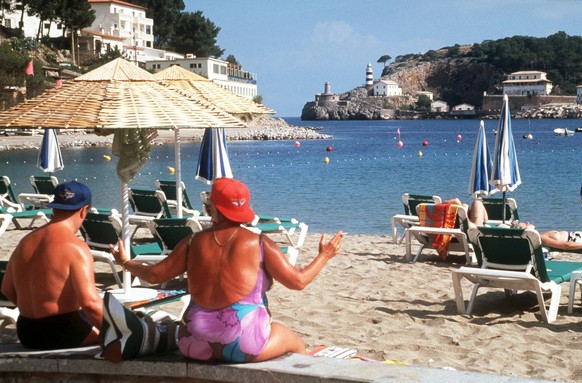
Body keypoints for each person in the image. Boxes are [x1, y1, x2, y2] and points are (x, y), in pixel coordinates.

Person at [109, 177, 344, 363]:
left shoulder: (192, 242)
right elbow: (298, 282)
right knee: (294, 341)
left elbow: (153, 275)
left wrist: (125, 262)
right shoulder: (260, 243)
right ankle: (305, 364)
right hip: (244, 347)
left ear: (214, 208)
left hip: (193, 343)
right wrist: (325, 255)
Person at [1, 181, 102, 349]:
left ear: (54, 208)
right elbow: (90, 302)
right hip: (63, 330)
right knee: (120, 335)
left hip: (26, 331)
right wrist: (118, 333)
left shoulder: (25, 242)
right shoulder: (75, 246)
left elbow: (7, 290)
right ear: (84, 210)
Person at [446, 198, 582, 252]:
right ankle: (458, 206)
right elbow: (565, 245)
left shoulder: (531, 236)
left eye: (522, 223)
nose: (527, 222)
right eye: (524, 223)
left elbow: (487, 220)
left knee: (475, 203)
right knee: (474, 203)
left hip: (481, 231)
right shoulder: (538, 237)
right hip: (478, 233)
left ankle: (458, 206)